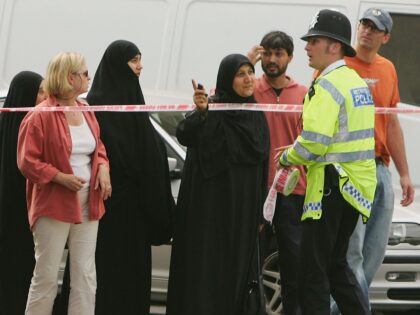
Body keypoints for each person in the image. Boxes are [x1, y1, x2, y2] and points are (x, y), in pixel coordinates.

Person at [278, 9, 376, 315]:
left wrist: (286, 157)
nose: (306, 47)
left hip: (332, 187)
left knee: (312, 273)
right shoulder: (355, 81)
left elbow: (315, 142)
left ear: (334, 46)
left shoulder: (326, 84)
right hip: (355, 188)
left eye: (314, 40)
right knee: (336, 268)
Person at [166, 53, 269, 315]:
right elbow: (185, 134)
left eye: (250, 73)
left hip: (242, 210)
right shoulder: (214, 108)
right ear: (227, 79)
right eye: (240, 74)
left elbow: (261, 165)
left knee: (235, 273)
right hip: (209, 210)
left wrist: (260, 210)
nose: (248, 79)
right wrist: (202, 112)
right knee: (206, 271)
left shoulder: (255, 114)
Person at [330, 8, 415, 314]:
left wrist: (404, 173)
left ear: (385, 37)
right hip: (350, 167)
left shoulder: (388, 69)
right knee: (350, 254)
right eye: (364, 24)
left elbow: (392, 123)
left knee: (374, 254)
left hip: (380, 170)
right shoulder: (338, 64)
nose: (366, 30)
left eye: (374, 27)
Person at [17, 52, 111, 315]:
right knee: (46, 275)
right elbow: (27, 161)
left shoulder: (86, 109)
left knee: (85, 274)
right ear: (70, 77)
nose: (88, 77)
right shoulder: (40, 115)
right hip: (54, 203)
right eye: (83, 72)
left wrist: (103, 167)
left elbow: (98, 146)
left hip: (88, 201)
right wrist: (60, 177)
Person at [86, 40, 174, 315]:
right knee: (104, 280)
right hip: (105, 212)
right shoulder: (94, 107)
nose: (140, 66)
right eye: (134, 60)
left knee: (132, 282)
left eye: (140, 59)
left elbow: (148, 152)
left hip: (135, 214)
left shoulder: (134, 104)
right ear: (117, 65)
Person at [247, 31, 308, 315]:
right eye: (267, 53)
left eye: (278, 54)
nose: (271, 60)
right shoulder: (248, 87)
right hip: (255, 190)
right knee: (249, 259)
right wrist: (246, 62)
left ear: (290, 58)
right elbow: (216, 99)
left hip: (292, 190)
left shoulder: (305, 93)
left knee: (294, 262)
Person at [0, 71, 46, 315]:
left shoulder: (38, 130)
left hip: (26, 219)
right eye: (40, 91)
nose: (45, 96)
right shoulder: (7, 128)